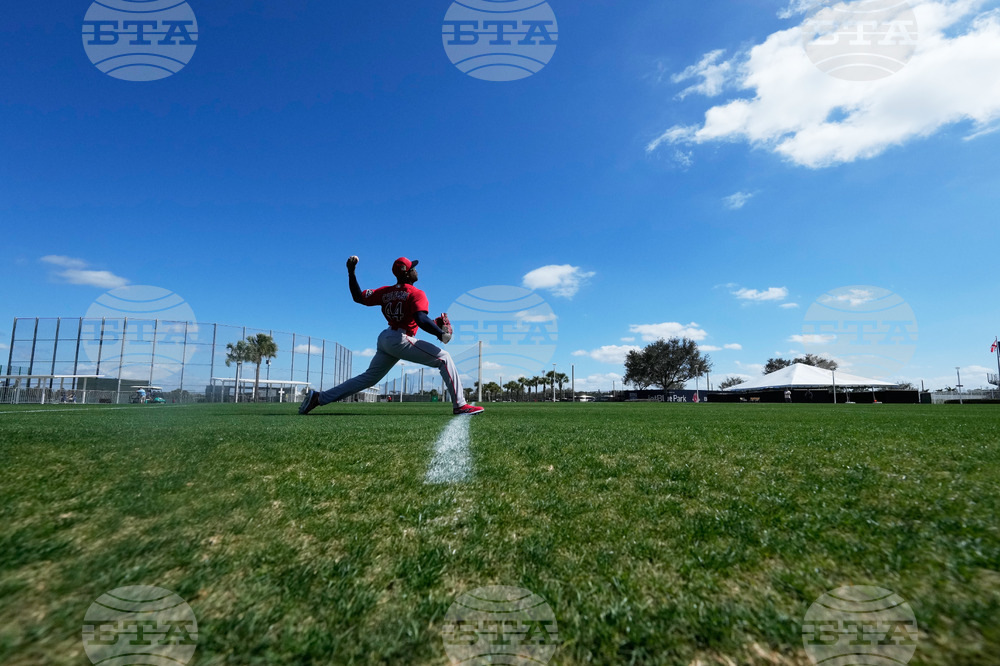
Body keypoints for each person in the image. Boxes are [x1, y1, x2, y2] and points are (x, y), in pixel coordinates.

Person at [299, 256, 484, 416]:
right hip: (400, 340)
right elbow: (420, 318)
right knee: (444, 358)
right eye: (413, 268)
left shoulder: (386, 292)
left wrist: (351, 273)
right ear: (406, 273)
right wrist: (440, 334)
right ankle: (460, 405)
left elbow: (358, 297)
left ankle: (319, 397)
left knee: (368, 378)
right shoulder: (416, 293)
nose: (416, 270)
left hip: (386, 338)